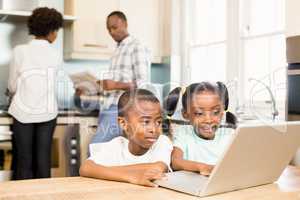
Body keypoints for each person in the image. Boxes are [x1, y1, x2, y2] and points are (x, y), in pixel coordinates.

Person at [76, 11, 151, 144]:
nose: (111, 32)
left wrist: (115, 85)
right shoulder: (118, 49)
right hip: (107, 105)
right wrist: (92, 87)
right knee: (108, 155)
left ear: (125, 24)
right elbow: (115, 84)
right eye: (108, 29)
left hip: (120, 108)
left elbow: (143, 84)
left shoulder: (136, 46)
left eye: (114, 27)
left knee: (96, 149)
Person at [7, 7, 63, 179]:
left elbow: (12, 86)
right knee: (43, 162)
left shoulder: (20, 51)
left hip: (22, 113)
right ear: (52, 31)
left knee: (23, 163)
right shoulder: (55, 54)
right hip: (47, 114)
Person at [80, 89, 173, 187]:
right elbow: (86, 168)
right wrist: (132, 177)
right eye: (146, 122)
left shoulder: (162, 142)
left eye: (158, 122)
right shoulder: (116, 145)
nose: (153, 129)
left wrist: (106, 171)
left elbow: (157, 168)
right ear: (123, 123)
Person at [164, 82, 237, 175]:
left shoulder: (230, 134)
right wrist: (203, 167)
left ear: (222, 113)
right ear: (186, 115)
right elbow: (175, 162)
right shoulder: (183, 134)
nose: (208, 120)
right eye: (199, 113)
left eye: (215, 112)